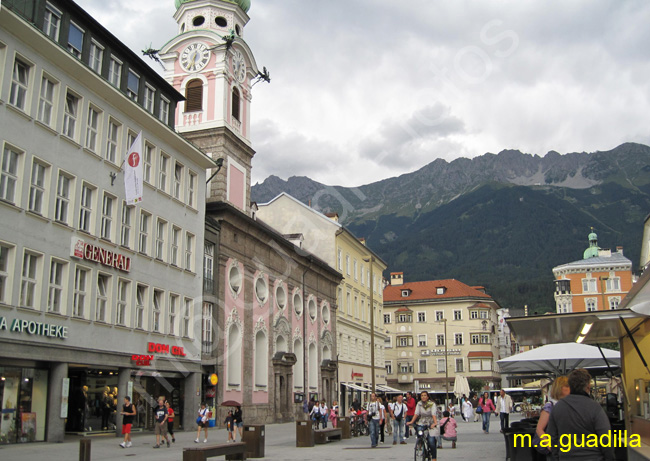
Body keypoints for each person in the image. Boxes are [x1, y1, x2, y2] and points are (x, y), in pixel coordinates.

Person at [546, 369, 615, 460]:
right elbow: (606, 438)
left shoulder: (558, 407)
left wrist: (556, 458)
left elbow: (552, 438)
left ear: (570, 386)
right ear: (588, 386)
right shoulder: (595, 407)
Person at [535, 376, 569, 456]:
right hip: (555, 449)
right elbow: (539, 429)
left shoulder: (567, 404)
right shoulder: (550, 406)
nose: (570, 389)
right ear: (560, 388)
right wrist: (550, 446)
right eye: (567, 386)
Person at [406, 391, 438, 461]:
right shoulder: (419, 404)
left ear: (427, 397)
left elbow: (433, 414)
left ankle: (434, 458)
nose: (423, 397)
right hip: (422, 421)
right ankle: (420, 443)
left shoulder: (432, 404)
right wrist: (411, 421)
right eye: (422, 395)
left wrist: (435, 423)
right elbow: (416, 413)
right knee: (419, 431)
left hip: (431, 421)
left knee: (431, 441)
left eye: (425, 395)